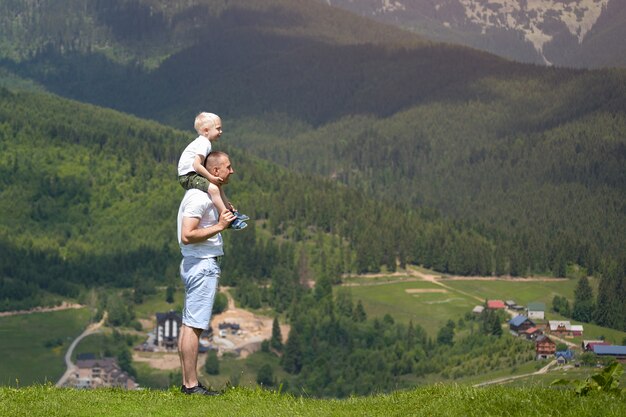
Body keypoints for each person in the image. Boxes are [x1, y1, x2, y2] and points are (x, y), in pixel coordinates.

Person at [177, 151, 237, 395]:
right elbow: (187, 235)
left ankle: (188, 383)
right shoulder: (199, 198)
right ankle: (191, 386)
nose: (232, 171)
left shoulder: (204, 195)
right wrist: (220, 226)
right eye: (228, 167)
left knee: (188, 325)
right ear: (214, 171)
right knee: (194, 326)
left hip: (197, 263)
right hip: (202, 265)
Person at [177, 112, 249, 229]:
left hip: (192, 175)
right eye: (218, 129)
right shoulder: (204, 143)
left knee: (216, 186)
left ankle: (230, 212)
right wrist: (211, 177)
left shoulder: (203, 142)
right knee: (214, 189)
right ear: (206, 130)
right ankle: (227, 218)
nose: (221, 132)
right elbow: (196, 165)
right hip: (188, 176)